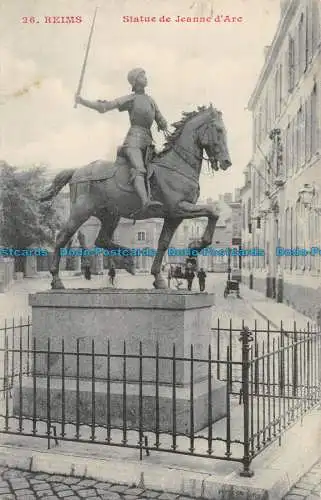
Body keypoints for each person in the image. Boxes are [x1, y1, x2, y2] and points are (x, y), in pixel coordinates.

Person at [75, 68, 169, 213]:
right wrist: (83, 101)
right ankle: (145, 202)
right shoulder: (130, 99)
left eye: (145, 75)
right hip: (133, 142)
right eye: (142, 76)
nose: (145, 78)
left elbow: (160, 119)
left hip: (148, 142)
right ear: (135, 81)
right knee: (139, 169)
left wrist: (163, 123)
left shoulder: (151, 101)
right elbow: (104, 107)